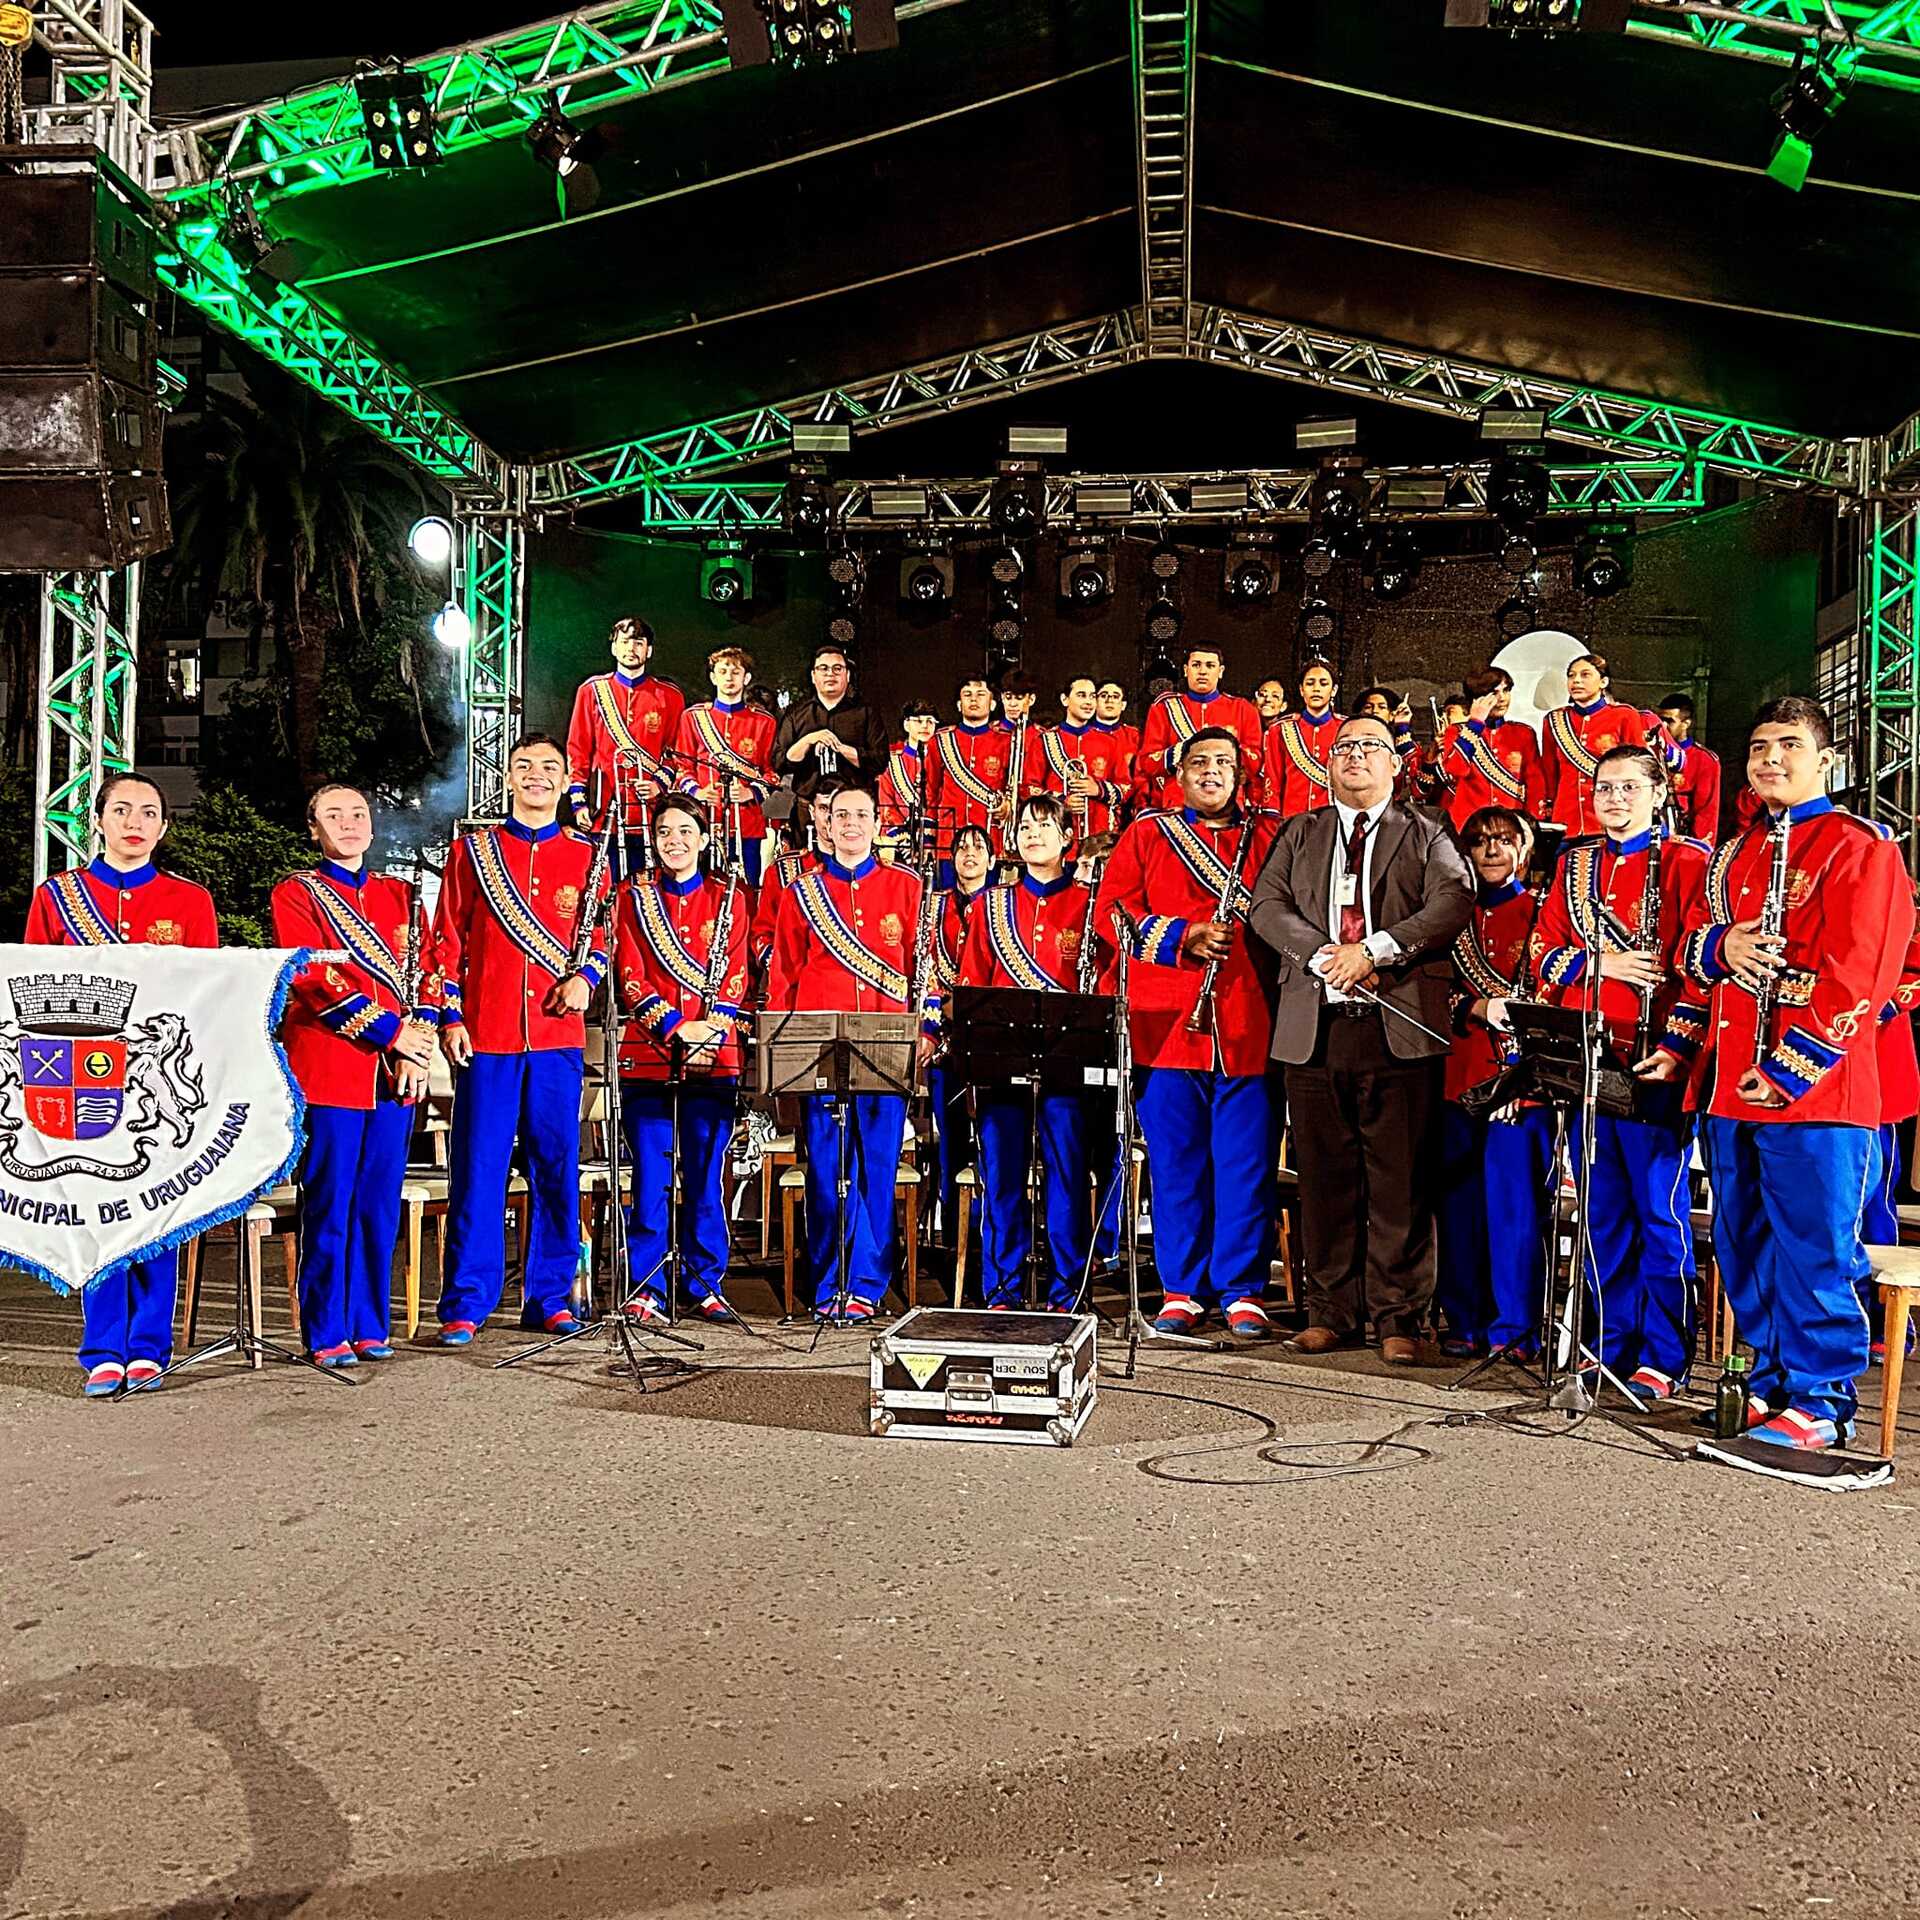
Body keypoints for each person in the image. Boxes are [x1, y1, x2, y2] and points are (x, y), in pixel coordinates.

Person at [1646, 696, 1915, 1451]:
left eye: (1789, 745)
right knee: (1745, 1246)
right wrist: (1712, 967)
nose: (1770, 758)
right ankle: (1767, 1384)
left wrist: (1791, 1070)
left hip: (1818, 1092)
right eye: (1760, 745)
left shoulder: (1861, 845)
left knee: (1815, 1248)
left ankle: (1823, 1401)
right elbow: (1694, 953)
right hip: (1730, 1083)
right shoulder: (1733, 853)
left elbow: (1862, 971)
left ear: (1825, 759)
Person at [1248, 714, 1474, 1364]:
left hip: (1398, 1026)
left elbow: (1452, 900)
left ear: (1396, 764)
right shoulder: (1301, 830)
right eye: (1344, 747)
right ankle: (1331, 1313)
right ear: (1328, 764)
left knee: (1400, 1181)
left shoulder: (1428, 829)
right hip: (1315, 1029)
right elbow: (1266, 906)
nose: (1356, 756)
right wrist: (1325, 955)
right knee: (1324, 1180)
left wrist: (1374, 950)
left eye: (1371, 745)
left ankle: (1399, 1317)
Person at [24, 772, 219, 1397]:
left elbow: (208, 991)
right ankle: (104, 1347)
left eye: (149, 812)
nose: (135, 822)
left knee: (158, 1208)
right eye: (122, 810)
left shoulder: (190, 901)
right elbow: (32, 984)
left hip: (162, 1073)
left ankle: (149, 1346)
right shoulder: (58, 897)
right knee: (96, 1210)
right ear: (99, 821)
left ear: (163, 827)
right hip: (80, 1078)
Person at [1533, 745, 1710, 1401]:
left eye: (1630, 787)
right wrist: (1599, 962)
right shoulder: (1574, 863)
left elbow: (1700, 966)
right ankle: (1605, 1347)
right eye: (1605, 787)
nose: (1615, 799)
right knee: (1601, 1215)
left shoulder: (1689, 861)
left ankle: (1664, 1356)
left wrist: (1677, 1047)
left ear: (1659, 793)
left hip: (1656, 1061)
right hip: (1587, 1056)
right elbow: (1542, 950)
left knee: (1659, 1216)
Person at [1095, 728, 1281, 1339]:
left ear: (1240, 775)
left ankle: (1243, 1289)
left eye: (1224, 762)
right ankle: (1182, 1287)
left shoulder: (1272, 835)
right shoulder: (1148, 833)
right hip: (1167, 1025)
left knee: (1245, 1165)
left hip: (1250, 1024)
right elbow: (1112, 913)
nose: (1211, 771)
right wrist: (1182, 937)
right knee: (1177, 1165)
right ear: (1178, 775)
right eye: (1199, 762)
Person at [432, 732, 607, 1346]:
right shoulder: (473, 851)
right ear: (507, 777)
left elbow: (602, 936)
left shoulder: (588, 855)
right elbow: (446, 939)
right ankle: (466, 1302)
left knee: (556, 1168)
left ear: (566, 780)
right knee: (478, 1170)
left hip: (557, 1035)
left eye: (549, 767)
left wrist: (587, 977)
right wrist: (451, 1016)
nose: (537, 776)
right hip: (488, 1033)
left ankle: (551, 1296)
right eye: (524, 766)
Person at [270, 785, 438, 1369]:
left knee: (378, 1204)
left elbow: (428, 974)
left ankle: (369, 1322)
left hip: (395, 1076)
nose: (348, 823)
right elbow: (313, 978)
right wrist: (393, 1035)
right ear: (313, 828)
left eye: (358, 814)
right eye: (333, 815)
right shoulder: (297, 893)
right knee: (330, 1201)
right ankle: (325, 1329)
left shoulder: (401, 894)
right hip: (330, 1067)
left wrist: (416, 1048)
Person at [766, 782, 926, 1320]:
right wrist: (784, 1052)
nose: (851, 823)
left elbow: (923, 968)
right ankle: (828, 1279)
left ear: (878, 824)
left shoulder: (907, 888)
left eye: (861, 814)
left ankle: (866, 1283)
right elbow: (784, 975)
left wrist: (924, 1031)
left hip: (886, 1051)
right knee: (826, 1170)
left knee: (877, 1169)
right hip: (818, 1052)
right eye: (841, 815)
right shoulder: (801, 893)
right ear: (826, 825)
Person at [956, 794, 1108, 1309]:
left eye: (1044, 826)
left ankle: (1069, 1290)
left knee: (1068, 1178)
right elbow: (973, 980)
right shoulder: (990, 905)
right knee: (1001, 1178)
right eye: (1024, 826)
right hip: (1001, 1062)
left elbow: (1102, 982)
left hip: (1068, 1062)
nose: (1032, 834)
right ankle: (1002, 1289)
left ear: (1067, 838)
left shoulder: (1090, 905)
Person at [614, 798, 749, 1324]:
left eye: (686, 831)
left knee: (705, 1174)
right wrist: (676, 1027)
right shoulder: (633, 898)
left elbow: (736, 972)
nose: (675, 841)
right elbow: (629, 971)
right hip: (648, 1053)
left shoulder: (729, 897)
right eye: (665, 831)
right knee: (650, 1176)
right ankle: (647, 1285)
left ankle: (705, 1280)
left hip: (716, 1056)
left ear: (705, 838)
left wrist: (709, 1032)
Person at [1435, 806, 1553, 1358]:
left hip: (1520, 1087)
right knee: (1458, 1207)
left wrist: (1518, 1077)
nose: (1491, 850)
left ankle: (1514, 1329)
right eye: (1479, 840)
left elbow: (1549, 997)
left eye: (1504, 839)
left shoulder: (1545, 913)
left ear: (1524, 850)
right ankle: (1464, 1320)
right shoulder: (1447, 916)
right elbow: (1429, 990)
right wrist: (1475, 1007)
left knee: (1515, 1210)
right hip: (1454, 1079)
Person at [924, 823, 995, 1244]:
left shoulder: (1002, 905)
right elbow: (924, 965)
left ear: (992, 858)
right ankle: (954, 1235)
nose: (969, 853)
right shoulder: (933, 906)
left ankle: (989, 1235)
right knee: (950, 1139)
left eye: (978, 847)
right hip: (943, 1036)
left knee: (991, 1139)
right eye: (962, 847)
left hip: (987, 1040)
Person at [565, 614, 685, 836]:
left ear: (649, 651)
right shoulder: (591, 691)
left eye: (638, 643)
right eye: (625, 641)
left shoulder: (670, 696)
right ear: (614, 648)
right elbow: (578, 750)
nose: (631, 648)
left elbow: (676, 753)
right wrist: (579, 803)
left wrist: (658, 785)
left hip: (651, 809)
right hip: (603, 807)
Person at [670, 644, 777, 885]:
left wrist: (751, 792)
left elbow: (771, 773)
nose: (729, 677)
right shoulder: (693, 717)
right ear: (713, 677)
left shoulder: (764, 722)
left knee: (746, 888)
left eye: (736, 672)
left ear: (746, 678)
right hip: (702, 820)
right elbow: (682, 766)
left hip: (746, 823)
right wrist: (697, 791)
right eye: (723, 671)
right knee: (701, 888)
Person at [1134, 644, 1264, 813]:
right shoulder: (1164, 709)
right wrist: (1185, 749)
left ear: (1221, 671)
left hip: (1226, 806)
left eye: (1210, 665)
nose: (1202, 671)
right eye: (1196, 665)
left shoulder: (1243, 709)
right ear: (1186, 670)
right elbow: (1148, 763)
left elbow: (1254, 763)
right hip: (1178, 805)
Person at [1540, 650, 1647, 836]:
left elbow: (1638, 770)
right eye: (1571, 676)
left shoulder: (1624, 716)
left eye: (1585, 675)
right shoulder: (1555, 720)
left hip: (1609, 818)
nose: (1576, 681)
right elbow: (1550, 772)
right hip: (1566, 818)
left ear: (1603, 682)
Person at [1435, 666, 1547, 837]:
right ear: (1477, 697)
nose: (1502, 698)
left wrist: (1532, 823)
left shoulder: (1523, 733)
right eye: (1494, 692)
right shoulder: (1457, 732)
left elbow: (1535, 783)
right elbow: (1456, 769)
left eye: (1506, 690)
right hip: (1469, 825)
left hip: (1511, 825)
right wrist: (1475, 724)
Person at [772, 642, 887, 805]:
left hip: (855, 804)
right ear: (813, 676)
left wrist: (839, 748)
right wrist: (808, 741)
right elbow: (779, 762)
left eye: (837, 668)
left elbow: (880, 761)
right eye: (823, 668)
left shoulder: (866, 713)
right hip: (808, 805)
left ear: (847, 675)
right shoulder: (795, 715)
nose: (830, 674)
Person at [752, 782, 837, 978]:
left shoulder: (873, 873)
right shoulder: (782, 870)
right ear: (812, 811)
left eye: (839, 811)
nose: (830, 818)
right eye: (824, 808)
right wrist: (783, 970)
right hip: (795, 984)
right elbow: (762, 934)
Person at [927, 674, 1012, 869]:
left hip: (990, 838)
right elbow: (930, 791)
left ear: (992, 704)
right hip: (948, 838)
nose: (974, 699)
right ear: (959, 704)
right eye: (967, 694)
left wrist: (1008, 806)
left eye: (980, 694)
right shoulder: (940, 741)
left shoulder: (1007, 741)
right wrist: (930, 838)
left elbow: (1015, 788)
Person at [1043, 673, 1127, 845]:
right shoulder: (1045, 741)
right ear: (1065, 699)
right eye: (1081, 695)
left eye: (1092, 696)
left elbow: (1125, 788)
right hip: (1056, 836)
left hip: (1099, 837)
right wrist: (1061, 801)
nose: (1089, 702)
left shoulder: (1110, 742)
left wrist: (1099, 789)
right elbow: (1028, 789)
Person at [1262, 657, 1342, 818]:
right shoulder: (1281, 730)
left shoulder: (1346, 729)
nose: (1316, 689)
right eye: (1310, 683)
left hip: (1334, 818)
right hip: (1292, 819)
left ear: (1333, 690)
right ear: (1301, 689)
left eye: (1323, 684)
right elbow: (1273, 779)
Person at [877, 701, 938, 859]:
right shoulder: (892, 760)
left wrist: (927, 840)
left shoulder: (941, 760)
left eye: (930, 721)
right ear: (906, 725)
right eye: (918, 721)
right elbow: (886, 802)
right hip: (897, 840)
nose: (924, 726)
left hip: (935, 839)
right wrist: (905, 841)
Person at [1657, 692, 1722, 842]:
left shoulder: (1704, 760)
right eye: (1660, 720)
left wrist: (1697, 849)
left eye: (1669, 721)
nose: (1663, 726)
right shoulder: (1649, 752)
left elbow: (1706, 812)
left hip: (1682, 839)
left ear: (1686, 724)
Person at [1353, 686, 1423, 798]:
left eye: (1382, 707)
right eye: (1368, 707)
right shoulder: (1350, 743)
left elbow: (1415, 781)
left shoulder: (1400, 743)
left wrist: (1402, 726)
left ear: (1391, 715)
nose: (1375, 711)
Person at [1093, 678, 1140, 799]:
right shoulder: (1084, 736)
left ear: (1123, 705)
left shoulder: (1134, 736)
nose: (1109, 701)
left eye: (1115, 696)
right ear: (1095, 701)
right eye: (1103, 696)